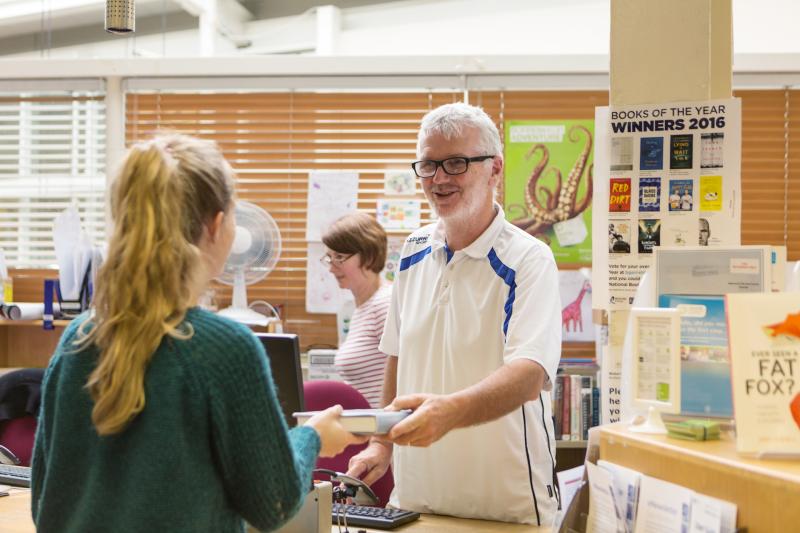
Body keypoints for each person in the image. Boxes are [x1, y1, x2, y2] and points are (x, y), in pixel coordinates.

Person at [30, 134, 365, 533]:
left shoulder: (77, 339)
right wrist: (311, 437)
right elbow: (273, 503)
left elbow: (44, 502)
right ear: (217, 225)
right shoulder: (223, 349)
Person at [346, 103, 562, 525]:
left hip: (505, 504)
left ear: (495, 169)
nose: (439, 179)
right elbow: (397, 353)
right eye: (428, 165)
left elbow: (528, 373)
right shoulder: (411, 250)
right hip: (416, 499)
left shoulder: (529, 260)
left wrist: (449, 413)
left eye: (456, 163)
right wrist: (382, 444)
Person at [321, 212, 392, 408]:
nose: (332, 268)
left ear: (369, 255)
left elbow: (405, 378)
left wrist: (381, 439)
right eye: (329, 258)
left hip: (382, 433)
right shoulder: (361, 309)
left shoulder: (385, 304)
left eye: (340, 257)